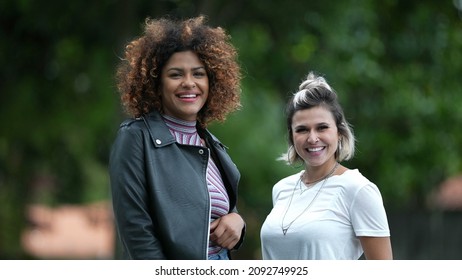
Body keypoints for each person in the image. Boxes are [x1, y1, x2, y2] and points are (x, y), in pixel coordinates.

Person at [109, 15, 245, 260]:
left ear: (212, 81)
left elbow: (215, 208)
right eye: (175, 75)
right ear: (156, 83)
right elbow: (136, 230)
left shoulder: (212, 145)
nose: (189, 83)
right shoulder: (136, 138)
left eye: (198, 74)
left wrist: (237, 221)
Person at [260, 72, 392, 260]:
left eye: (322, 127)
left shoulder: (358, 189)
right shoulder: (281, 189)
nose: (312, 138)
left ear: (339, 132)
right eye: (302, 129)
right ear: (291, 136)